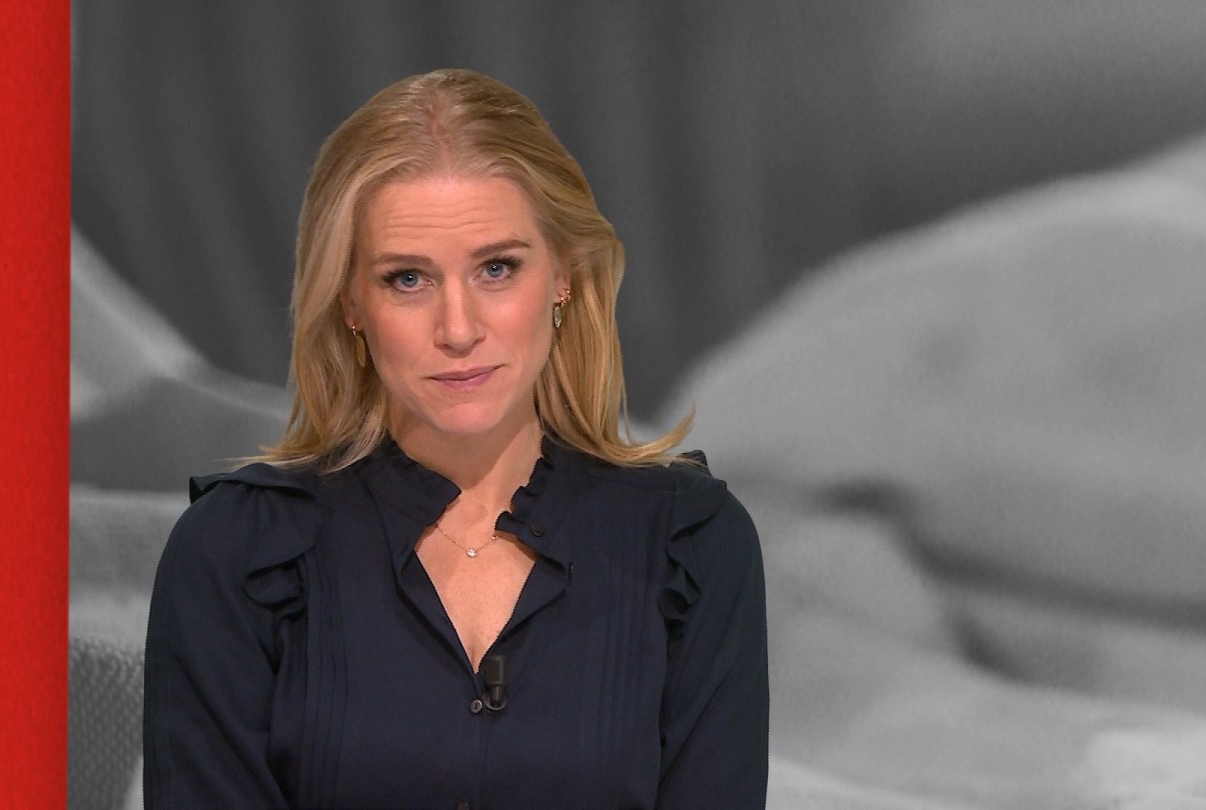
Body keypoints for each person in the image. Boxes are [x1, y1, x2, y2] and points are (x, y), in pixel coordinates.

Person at [142, 68, 768, 809]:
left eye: (497, 268)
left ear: (563, 277)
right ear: (349, 302)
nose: (459, 329)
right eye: (408, 279)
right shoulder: (233, 554)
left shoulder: (692, 547)